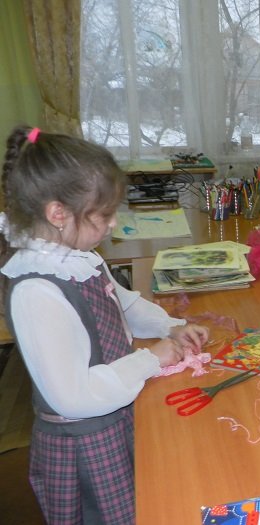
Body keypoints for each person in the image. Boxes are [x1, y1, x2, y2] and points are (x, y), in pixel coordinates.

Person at [0, 125, 210, 524]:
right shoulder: (36, 291)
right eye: (104, 214)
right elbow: (75, 396)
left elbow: (122, 303)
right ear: (58, 214)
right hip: (87, 441)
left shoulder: (78, 256)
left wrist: (170, 326)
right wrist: (150, 359)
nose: (113, 224)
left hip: (115, 411)